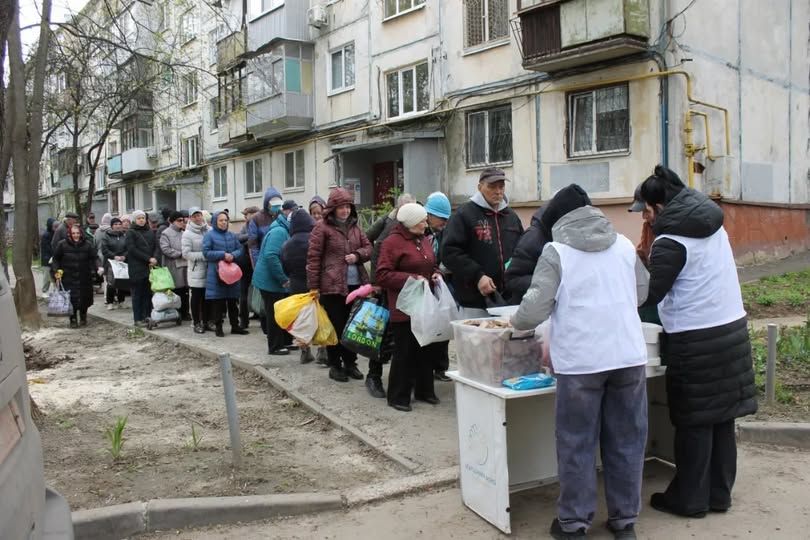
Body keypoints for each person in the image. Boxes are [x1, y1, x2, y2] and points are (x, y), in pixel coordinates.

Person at [510, 186, 650, 540]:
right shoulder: (621, 244)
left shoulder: (556, 251)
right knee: (627, 440)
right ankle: (624, 522)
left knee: (577, 442)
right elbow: (643, 291)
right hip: (628, 357)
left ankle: (573, 524)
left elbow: (531, 313)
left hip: (581, 363)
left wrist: (515, 321)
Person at [637, 165, 757, 519]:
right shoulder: (710, 224)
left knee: (693, 421)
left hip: (697, 339)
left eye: (645, 210)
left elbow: (648, 293)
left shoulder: (670, 240)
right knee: (721, 419)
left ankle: (688, 500)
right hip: (732, 331)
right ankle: (719, 495)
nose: (644, 217)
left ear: (659, 207)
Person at [376, 203, 444, 412]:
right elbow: (382, 274)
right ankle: (398, 396)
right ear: (411, 222)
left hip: (424, 304)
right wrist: (410, 278)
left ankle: (424, 391)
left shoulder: (422, 238)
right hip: (404, 306)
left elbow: (428, 263)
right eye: (422, 220)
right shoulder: (392, 243)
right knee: (405, 352)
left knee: (425, 349)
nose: (426, 223)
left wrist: (435, 273)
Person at [306, 187, 372, 383]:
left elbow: (369, 247)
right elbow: (313, 258)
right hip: (332, 287)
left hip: (355, 285)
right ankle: (335, 365)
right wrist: (314, 287)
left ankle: (351, 363)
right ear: (333, 208)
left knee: (352, 327)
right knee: (336, 327)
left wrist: (358, 255)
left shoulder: (355, 227)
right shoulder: (322, 228)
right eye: (341, 207)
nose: (345, 211)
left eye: (348, 207)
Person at [441, 167, 524, 317]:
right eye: (492, 186)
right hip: (474, 301)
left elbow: (522, 251)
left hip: (508, 301)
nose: (498, 191)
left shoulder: (511, 217)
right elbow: (449, 252)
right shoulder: (464, 215)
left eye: (501, 186)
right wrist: (477, 276)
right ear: (480, 187)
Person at [253, 200, 297, 355]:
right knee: (274, 313)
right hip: (270, 280)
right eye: (292, 211)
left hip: (276, 279)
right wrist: (283, 278)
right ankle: (275, 346)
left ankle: (286, 341)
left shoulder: (285, 228)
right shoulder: (279, 231)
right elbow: (271, 256)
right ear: (284, 212)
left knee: (283, 311)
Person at [203, 211, 249, 337]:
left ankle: (235, 326)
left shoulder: (232, 235)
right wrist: (222, 255)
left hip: (231, 272)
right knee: (218, 302)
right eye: (221, 220)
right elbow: (206, 253)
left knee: (233, 301)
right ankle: (219, 327)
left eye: (225, 220)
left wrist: (233, 255)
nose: (224, 222)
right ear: (215, 222)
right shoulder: (209, 236)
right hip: (217, 272)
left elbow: (240, 249)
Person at [282, 209, 318, 364]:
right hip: (315, 283)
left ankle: (305, 351)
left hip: (296, 284)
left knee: (301, 319)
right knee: (319, 316)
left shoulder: (287, 244)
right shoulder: (316, 240)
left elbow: (284, 265)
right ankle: (323, 349)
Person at [424, 191, 453, 383]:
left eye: (446, 220)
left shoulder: (444, 233)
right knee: (427, 327)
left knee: (443, 324)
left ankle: (440, 367)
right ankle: (425, 368)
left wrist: (442, 270)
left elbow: (449, 255)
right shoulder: (419, 231)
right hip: (423, 286)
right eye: (441, 219)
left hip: (442, 285)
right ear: (429, 215)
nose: (444, 223)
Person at [52, 224, 101, 328]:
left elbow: (94, 257)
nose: (76, 235)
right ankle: (73, 318)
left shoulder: (87, 244)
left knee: (85, 298)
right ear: (69, 234)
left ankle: (83, 316)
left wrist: (99, 267)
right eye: (73, 233)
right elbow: (56, 259)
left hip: (84, 275)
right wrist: (57, 271)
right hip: (68, 275)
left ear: (81, 234)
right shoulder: (62, 244)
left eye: (77, 233)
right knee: (71, 298)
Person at [628, 184, 661, 325]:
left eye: (646, 211)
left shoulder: (674, 230)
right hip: (650, 284)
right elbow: (642, 252)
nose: (643, 216)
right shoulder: (648, 227)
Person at [366, 193, 416, 282]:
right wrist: (375, 279)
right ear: (398, 207)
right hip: (391, 273)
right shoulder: (392, 222)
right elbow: (376, 243)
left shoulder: (419, 220)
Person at [125, 210, 159, 327]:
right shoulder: (131, 232)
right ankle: (138, 318)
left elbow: (156, 246)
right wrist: (148, 258)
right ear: (134, 220)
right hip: (136, 268)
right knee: (137, 294)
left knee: (148, 293)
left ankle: (147, 316)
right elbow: (132, 249)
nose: (141, 220)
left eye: (143, 218)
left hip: (149, 267)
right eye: (139, 218)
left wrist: (154, 258)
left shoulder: (149, 231)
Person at [182, 207, 211, 334]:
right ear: (190, 218)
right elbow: (186, 254)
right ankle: (196, 323)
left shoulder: (209, 230)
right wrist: (204, 256)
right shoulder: (187, 234)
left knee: (207, 298)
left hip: (209, 269)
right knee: (196, 298)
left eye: (199, 215)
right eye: (194, 216)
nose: (198, 218)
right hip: (196, 270)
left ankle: (207, 321)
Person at [160, 211, 190, 320]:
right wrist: (179, 254)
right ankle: (176, 313)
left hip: (185, 265)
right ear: (172, 221)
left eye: (183, 220)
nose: (182, 222)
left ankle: (185, 312)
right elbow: (165, 249)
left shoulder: (184, 233)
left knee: (185, 290)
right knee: (176, 290)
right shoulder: (165, 233)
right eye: (179, 220)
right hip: (172, 265)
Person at [247, 187, 283, 266]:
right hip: (264, 261)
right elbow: (253, 245)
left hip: (281, 260)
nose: (276, 207)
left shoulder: (283, 216)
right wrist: (257, 265)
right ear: (267, 204)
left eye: (278, 205)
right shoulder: (256, 219)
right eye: (274, 204)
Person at [237, 206, 260, 329]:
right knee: (244, 292)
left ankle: (260, 314)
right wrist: (251, 237)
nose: (245, 216)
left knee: (260, 290)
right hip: (245, 261)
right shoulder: (246, 226)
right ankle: (244, 320)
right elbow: (239, 239)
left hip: (257, 261)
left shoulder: (259, 224)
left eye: (247, 214)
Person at [100, 217, 128, 309]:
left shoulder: (124, 236)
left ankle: (121, 301)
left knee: (122, 281)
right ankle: (110, 302)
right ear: (112, 226)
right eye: (115, 224)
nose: (118, 226)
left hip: (122, 261)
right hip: (110, 262)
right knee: (111, 282)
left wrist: (124, 256)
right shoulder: (106, 236)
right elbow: (104, 250)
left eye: (119, 224)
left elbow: (128, 248)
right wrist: (114, 256)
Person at [40, 218, 57, 294]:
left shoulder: (55, 234)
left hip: (54, 258)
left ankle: (56, 290)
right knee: (47, 276)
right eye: (54, 226)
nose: (56, 228)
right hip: (47, 259)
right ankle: (44, 291)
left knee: (55, 275)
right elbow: (47, 248)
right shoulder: (46, 235)